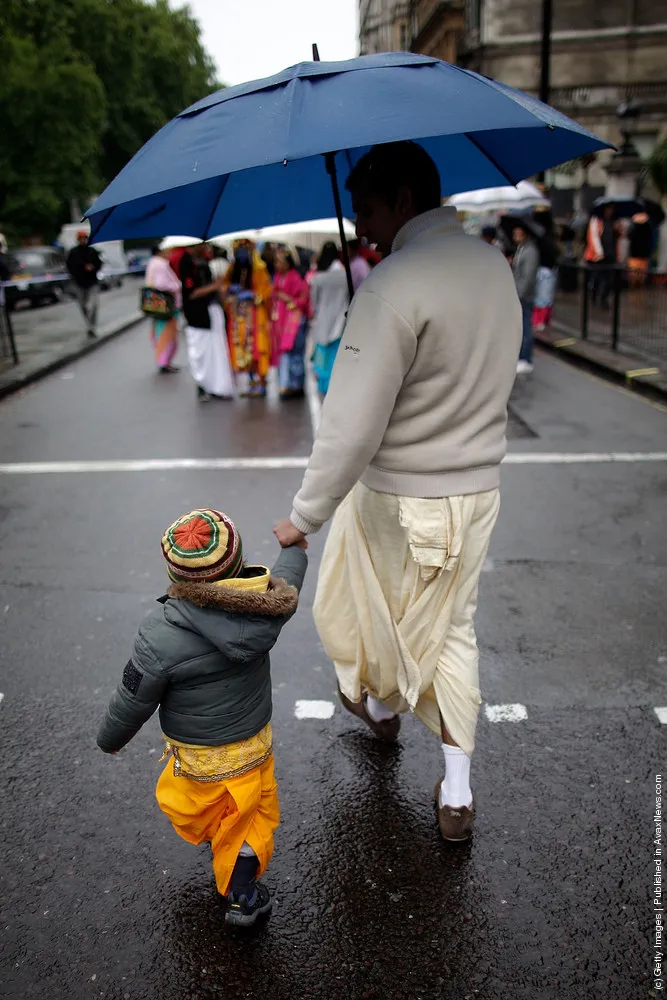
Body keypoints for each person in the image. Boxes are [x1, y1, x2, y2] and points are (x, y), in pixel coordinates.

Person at [273, 140, 521, 844]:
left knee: (369, 606)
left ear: (402, 200)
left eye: (368, 209)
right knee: (451, 628)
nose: (365, 224)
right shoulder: (490, 264)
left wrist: (301, 517)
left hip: (401, 495)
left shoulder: (391, 286)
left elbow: (349, 429)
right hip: (477, 489)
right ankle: (456, 787)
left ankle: (378, 712)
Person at [97, 508, 307, 927]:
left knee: (212, 806)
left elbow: (133, 696)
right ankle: (243, 896)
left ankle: (230, 867)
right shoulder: (264, 607)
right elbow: (290, 582)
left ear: (176, 575)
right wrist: (296, 549)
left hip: (198, 754)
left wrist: (111, 738)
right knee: (250, 817)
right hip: (250, 744)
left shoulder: (159, 631)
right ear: (238, 559)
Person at [180, 243, 235, 402]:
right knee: (201, 353)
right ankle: (203, 385)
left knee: (216, 350)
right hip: (198, 316)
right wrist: (214, 286)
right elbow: (192, 293)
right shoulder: (187, 263)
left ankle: (216, 385)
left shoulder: (202, 260)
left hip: (211, 312)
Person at [223, 242, 273, 397]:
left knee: (258, 347)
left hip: (255, 315)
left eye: (244, 250)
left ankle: (262, 383)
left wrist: (253, 295)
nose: (241, 254)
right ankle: (252, 383)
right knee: (243, 349)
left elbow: (266, 290)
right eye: (239, 251)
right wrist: (230, 291)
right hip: (239, 316)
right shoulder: (232, 269)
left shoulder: (259, 268)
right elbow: (225, 287)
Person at [309, 242, 348, 395]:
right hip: (340, 319)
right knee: (336, 353)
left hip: (323, 318)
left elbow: (314, 301)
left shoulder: (318, 277)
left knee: (323, 354)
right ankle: (337, 383)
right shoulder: (345, 274)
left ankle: (324, 385)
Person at [271, 248, 310, 399]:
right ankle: (286, 385)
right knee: (284, 352)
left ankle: (296, 385)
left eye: (280, 261)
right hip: (281, 320)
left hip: (293, 321)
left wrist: (287, 299)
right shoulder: (278, 277)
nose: (277, 264)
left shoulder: (295, 278)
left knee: (294, 352)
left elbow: (303, 299)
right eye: (276, 261)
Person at [144, 243, 182, 373]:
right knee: (167, 334)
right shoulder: (161, 264)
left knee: (161, 332)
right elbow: (161, 284)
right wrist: (176, 286)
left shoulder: (153, 262)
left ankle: (164, 361)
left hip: (158, 305)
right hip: (167, 305)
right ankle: (164, 362)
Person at [511, 225, 540, 374]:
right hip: (518, 294)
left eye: (519, 235)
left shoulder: (530, 252)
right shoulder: (521, 249)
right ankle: (521, 357)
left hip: (525, 296)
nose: (516, 238)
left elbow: (528, 277)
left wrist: (519, 295)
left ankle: (526, 359)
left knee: (526, 328)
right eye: (515, 235)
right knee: (520, 327)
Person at [66, 230, 102, 338]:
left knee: (93, 305)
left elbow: (98, 264)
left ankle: (92, 326)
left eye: (84, 238)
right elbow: (69, 266)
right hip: (79, 283)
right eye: (81, 238)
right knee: (83, 306)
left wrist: (93, 268)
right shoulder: (73, 252)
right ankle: (89, 325)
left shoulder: (92, 251)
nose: (83, 240)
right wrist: (79, 271)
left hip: (92, 283)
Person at [584, 205, 618, 308]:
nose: (610, 211)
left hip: (610, 255)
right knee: (597, 278)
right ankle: (594, 296)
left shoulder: (613, 222)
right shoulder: (596, 220)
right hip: (597, 257)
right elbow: (594, 238)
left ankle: (604, 299)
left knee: (608, 279)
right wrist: (599, 253)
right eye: (608, 209)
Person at [627, 212, 653, 288]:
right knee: (637, 275)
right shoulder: (647, 226)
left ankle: (636, 287)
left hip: (638, 254)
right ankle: (637, 287)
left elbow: (629, 235)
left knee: (636, 275)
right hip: (639, 254)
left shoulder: (645, 226)